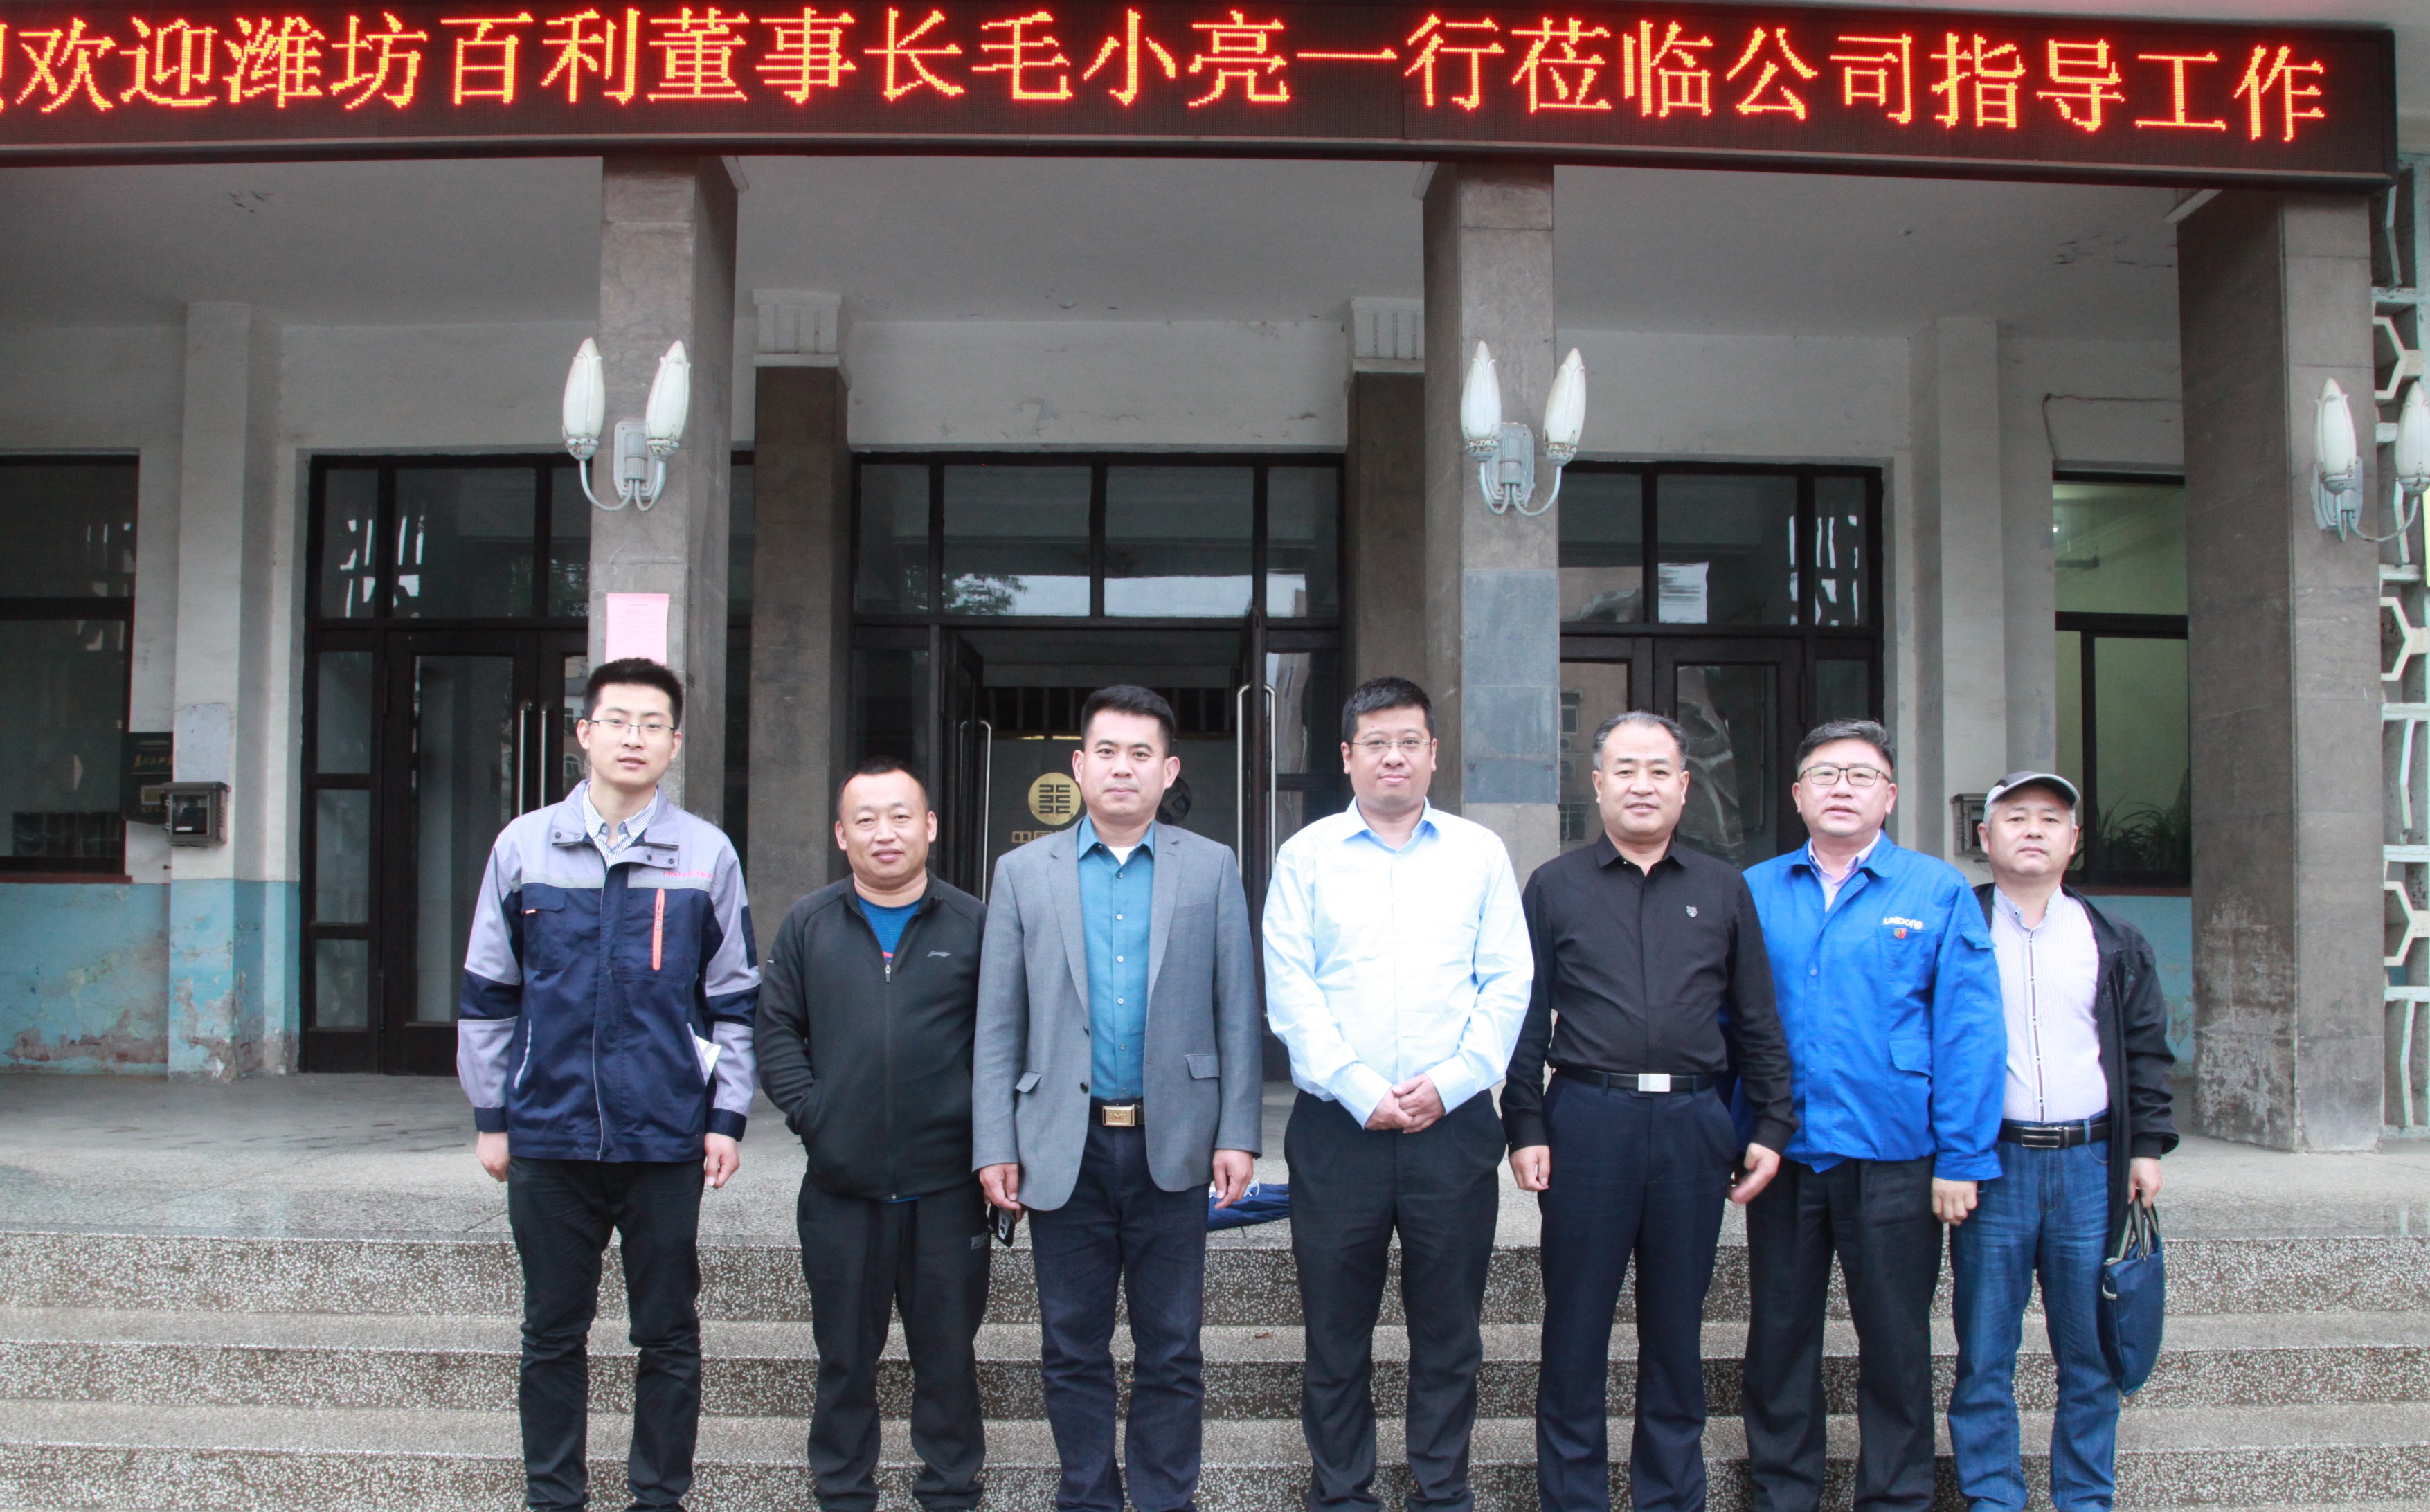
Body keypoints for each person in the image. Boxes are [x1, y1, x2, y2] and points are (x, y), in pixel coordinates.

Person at [456, 656, 759, 1512]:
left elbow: (734, 999)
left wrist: (726, 1117)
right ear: (583, 733)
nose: (635, 737)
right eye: (617, 721)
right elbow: (488, 991)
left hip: (664, 1136)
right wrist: (492, 1115)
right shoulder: (523, 847)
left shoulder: (706, 854)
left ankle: (658, 1497)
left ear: (675, 743)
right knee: (552, 1332)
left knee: (668, 1333)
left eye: (653, 724)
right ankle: (554, 1496)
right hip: (549, 1134)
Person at [972, 685, 1264, 1512]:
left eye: (1142, 754)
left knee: (1172, 1346)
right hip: (1062, 1145)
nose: (1123, 768)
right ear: (1079, 765)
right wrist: (995, 1143)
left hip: (1175, 1143)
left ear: (1169, 770)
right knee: (1072, 1345)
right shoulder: (1022, 872)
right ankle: (1088, 1496)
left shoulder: (1210, 866)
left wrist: (1238, 1131)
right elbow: (998, 1021)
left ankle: (1167, 1498)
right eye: (1107, 752)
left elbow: (1237, 1009)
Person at [1502, 710, 1797, 1512]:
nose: (1643, 785)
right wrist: (1524, 1125)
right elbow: (1524, 1018)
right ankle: (1574, 1498)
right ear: (1597, 784)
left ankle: (1670, 1497)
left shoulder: (1723, 888)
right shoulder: (1554, 886)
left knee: (1676, 1331)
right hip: (1587, 1120)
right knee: (1575, 1329)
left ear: (1684, 787)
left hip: (1694, 1128)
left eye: (1659, 771)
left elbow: (1758, 1020)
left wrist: (1772, 1126)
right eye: (1626, 770)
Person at [1261, 676, 1533, 1512]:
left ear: (1433, 753)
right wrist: (1358, 1088)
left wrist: (1450, 1084)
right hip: (1337, 1131)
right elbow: (1290, 989)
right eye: (1376, 743)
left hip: (1451, 1131)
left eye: (1409, 741)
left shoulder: (1479, 853)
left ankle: (1440, 1491)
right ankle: (1343, 1493)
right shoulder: (1306, 856)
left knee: (1449, 1332)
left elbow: (1509, 982)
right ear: (1347, 756)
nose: (1393, 757)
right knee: (1334, 1334)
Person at [1738, 719, 2003, 1512]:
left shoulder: (1935, 891)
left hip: (1895, 1154)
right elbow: (1726, 1022)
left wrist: (1963, 1155)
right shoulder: (1754, 891)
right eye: (1825, 774)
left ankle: (1895, 1497)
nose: (1842, 788)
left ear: (1889, 796)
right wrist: (1730, 1135)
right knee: (1780, 1338)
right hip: (1786, 1153)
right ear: (1798, 795)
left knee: (1895, 1342)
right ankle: (1784, 1494)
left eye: (1861, 775)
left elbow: (1968, 1031)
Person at [756, 757, 992, 1512]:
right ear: (841, 834)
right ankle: (842, 1490)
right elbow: (775, 1032)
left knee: (948, 1359)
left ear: (930, 827)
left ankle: (950, 1490)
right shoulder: (809, 923)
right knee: (844, 1358)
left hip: (947, 1189)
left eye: (900, 816)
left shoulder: (975, 924)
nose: (884, 833)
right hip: (842, 1188)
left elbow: (1005, 1041)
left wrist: (987, 1138)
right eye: (865, 819)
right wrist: (816, 1116)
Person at [1950, 771, 2177, 1512]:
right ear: (1985, 837)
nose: (2033, 830)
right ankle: (1993, 1498)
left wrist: (2146, 1147)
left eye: (2051, 819)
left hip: (2090, 1165)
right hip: (1993, 1165)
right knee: (1985, 1353)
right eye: (2016, 817)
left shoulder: (2111, 939)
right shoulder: (1955, 927)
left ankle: (2084, 1498)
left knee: (2091, 1352)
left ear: (2074, 840)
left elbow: (2145, 1050)